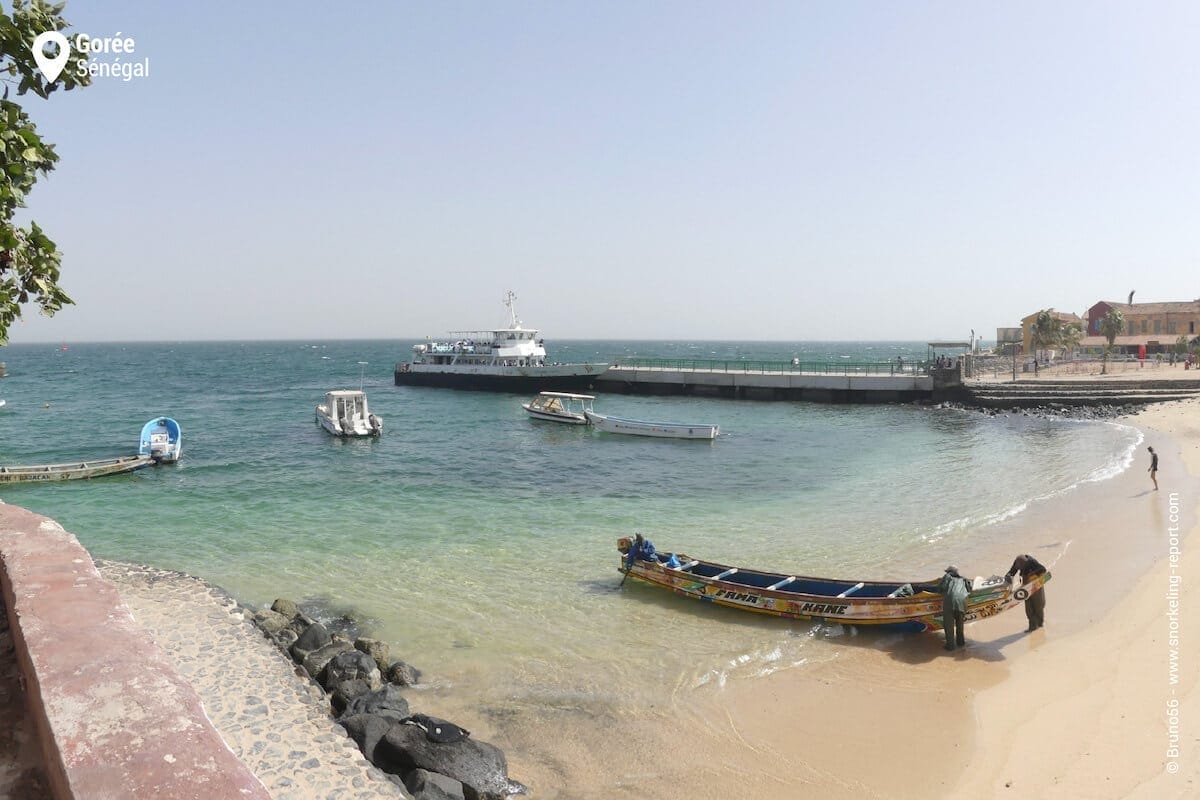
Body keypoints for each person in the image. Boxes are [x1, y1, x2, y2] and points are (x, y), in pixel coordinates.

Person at [932, 566, 972, 651]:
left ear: (949, 572)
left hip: (950, 602)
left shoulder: (947, 577)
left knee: (949, 626)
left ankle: (950, 647)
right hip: (962, 602)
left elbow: (940, 589)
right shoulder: (964, 579)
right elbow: (970, 589)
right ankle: (961, 643)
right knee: (960, 625)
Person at [1005, 554, 1047, 631]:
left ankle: (1040, 624)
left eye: (1021, 567)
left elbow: (1043, 569)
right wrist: (1006, 580)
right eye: (1018, 566)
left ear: (1025, 563)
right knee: (1028, 608)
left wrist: (1031, 573)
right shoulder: (1017, 563)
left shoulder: (1031, 562)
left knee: (1038, 605)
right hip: (1026, 587)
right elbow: (1012, 572)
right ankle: (1032, 626)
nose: (1019, 568)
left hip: (1036, 585)